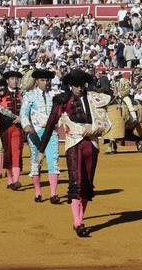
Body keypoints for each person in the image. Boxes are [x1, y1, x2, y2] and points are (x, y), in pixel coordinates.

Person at [40, 69, 113, 238]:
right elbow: (52, 123)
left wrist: (94, 128)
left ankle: (79, 219)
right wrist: (42, 149)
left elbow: (105, 123)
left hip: (92, 144)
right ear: (70, 85)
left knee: (87, 185)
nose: (80, 88)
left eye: (82, 85)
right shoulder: (62, 100)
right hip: (73, 143)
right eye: (77, 85)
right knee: (76, 183)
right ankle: (78, 223)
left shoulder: (94, 98)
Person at [20, 68, 61, 204]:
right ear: (37, 81)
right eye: (43, 80)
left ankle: (53, 193)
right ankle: (38, 193)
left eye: (47, 80)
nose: (46, 83)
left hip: (51, 133)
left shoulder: (54, 95)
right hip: (35, 132)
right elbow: (23, 113)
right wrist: (26, 125)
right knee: (35, 162)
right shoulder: (29, 96)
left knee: (53, 161)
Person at [0, 69, 25, 189]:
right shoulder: (1, 94)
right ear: (8, 81)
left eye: (16, 79)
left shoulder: (22, 94)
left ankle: (16, 180)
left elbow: (29, 111)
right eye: (12, 79)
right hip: (5, 129)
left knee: (17, 153)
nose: (15, 81)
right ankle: (10, 180)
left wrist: (22, 119)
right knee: (8, 153)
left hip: (18, 128)